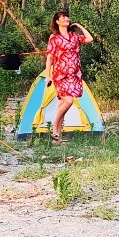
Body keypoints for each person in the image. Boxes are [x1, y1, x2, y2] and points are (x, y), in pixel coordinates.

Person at [45, 11, 94, 144]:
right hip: (61, 74)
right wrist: (48, 75)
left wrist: (80, 27)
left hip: (74, 75)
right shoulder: (54, 38)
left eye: (67, 17)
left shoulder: (74, 36)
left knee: (63, 105)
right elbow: (49, 57)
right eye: (63, 17)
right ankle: (54, 128)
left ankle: (57, 138)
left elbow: (89, 39)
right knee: (68, 101)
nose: (66, 19)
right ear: (57, 21)